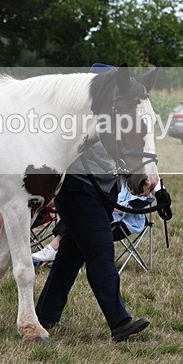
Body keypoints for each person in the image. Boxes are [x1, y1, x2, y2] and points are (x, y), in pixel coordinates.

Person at [35, 64, 150, 343]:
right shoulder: (76, 117)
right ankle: (119, 322)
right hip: (77, 190)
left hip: (103, 191)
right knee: (101, 254)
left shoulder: (115, 119)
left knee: (69, 257)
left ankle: (45, 314)